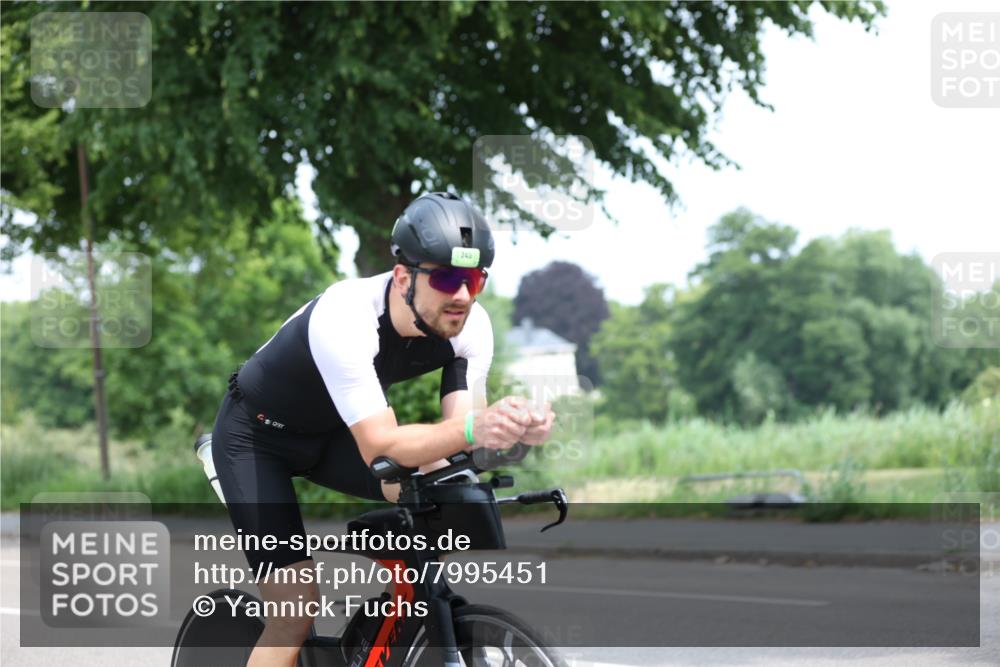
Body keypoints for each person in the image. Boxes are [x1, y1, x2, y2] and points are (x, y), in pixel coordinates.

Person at [209, 191, 556, 667]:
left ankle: (393, 631)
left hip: (336, 434)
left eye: (474, 279)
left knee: (444, 482)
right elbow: (381, 447)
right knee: (294, 607)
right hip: (257, 439)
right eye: (446, 278)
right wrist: (478, 428)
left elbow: (461, 437)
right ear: (403, 276)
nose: (461, 295)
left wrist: (514, 435)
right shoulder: (346, 314)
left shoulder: (472, 326)